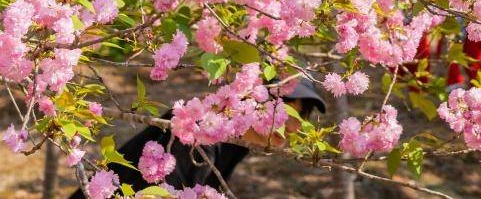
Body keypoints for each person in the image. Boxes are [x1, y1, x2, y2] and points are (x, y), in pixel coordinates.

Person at [69, 77, 326, 198]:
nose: (293, 129)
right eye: (291, 114)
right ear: (259, 103)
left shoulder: (239, 140)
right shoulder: (195, 131)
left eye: (301, 118)